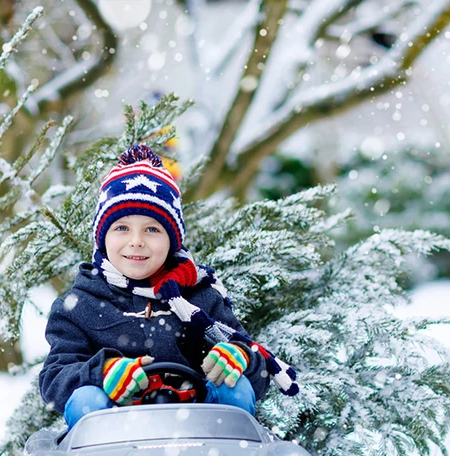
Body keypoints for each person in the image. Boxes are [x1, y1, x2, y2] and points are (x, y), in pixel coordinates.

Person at [39, 144, 298, 429]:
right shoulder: (80, 305)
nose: (136, 241)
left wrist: (240, 358)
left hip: (200, 434)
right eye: (122, 228)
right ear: (102, 238)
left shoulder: (199, 298)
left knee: (235, 387)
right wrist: (100, 372)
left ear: (172, 240)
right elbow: (54, 379)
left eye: (152, 229)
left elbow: (257, 377)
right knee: (85, 399)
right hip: (115, 443)